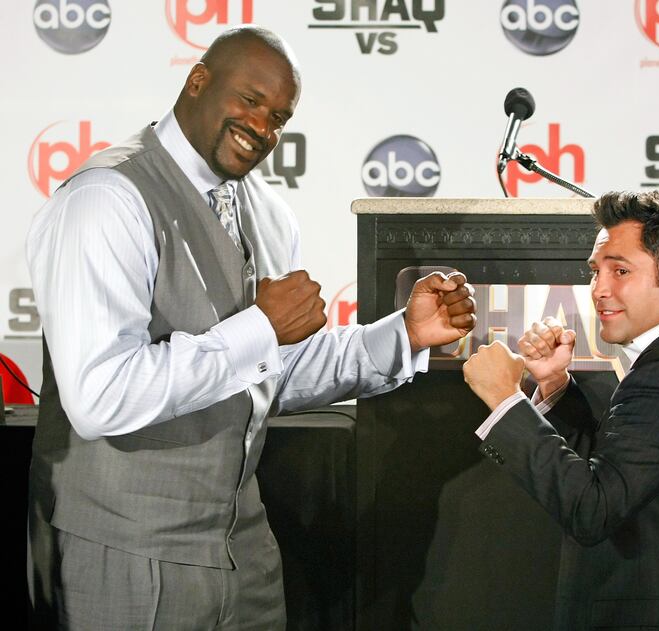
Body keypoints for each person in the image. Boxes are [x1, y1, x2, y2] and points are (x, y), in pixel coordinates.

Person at [26, 26, 476, 630]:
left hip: (245, 554)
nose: (263, 127)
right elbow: (101, 396)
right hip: (127, 549)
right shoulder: (108, 198)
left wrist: (403, 335)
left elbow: (268, 373)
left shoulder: (267, 212)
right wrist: (260, 328)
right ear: (197, 81)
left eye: (280, 117)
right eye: (250, 100)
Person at [462, 190, 659, 631]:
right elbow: (629, 470)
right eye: (596, 271)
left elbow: (592, 510)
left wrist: (504, 399)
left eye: (621, 271)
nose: (599, 290)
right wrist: (554, 387)